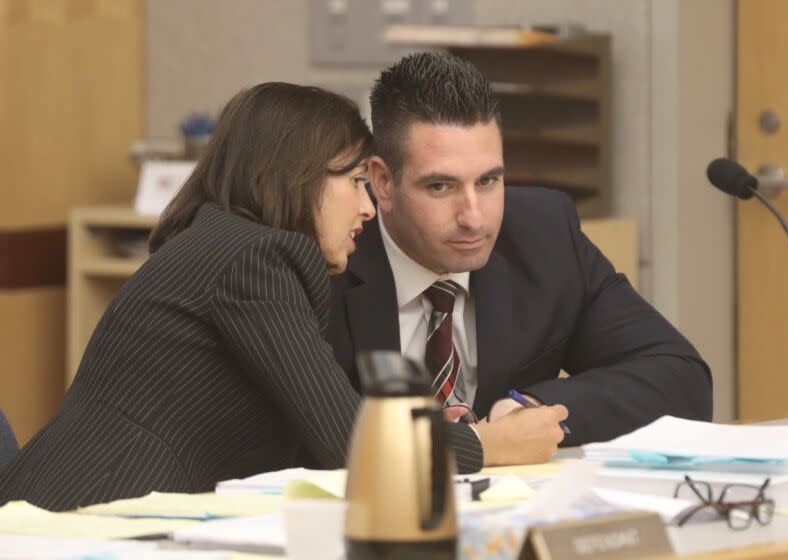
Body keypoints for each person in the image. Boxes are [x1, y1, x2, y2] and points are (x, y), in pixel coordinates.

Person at [0, 82, 389, 511]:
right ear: (298, 175)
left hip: (88, 508)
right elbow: (353, 442)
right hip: (78, 520)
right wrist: (474, 443)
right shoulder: (256, 259)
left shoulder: (223, 243)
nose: (367, 207)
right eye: (355, 182)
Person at [325, 52, 713, 467]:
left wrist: (536, 407)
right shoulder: (325, 255)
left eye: (489, 181)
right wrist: (480, 445)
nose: (474, 217)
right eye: (440, 186)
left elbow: (682, 378)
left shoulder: (542, 234)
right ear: (382, 182)